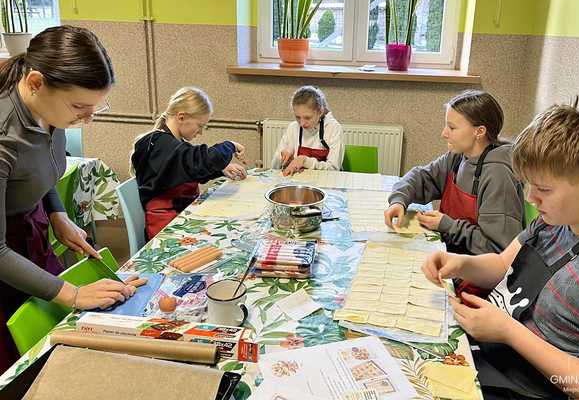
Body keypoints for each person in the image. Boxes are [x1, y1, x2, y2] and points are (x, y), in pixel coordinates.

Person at [422, 103, 579, 399]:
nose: (531, 198)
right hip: (492, 354)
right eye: (527, 186)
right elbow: (502, 264)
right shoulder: (559, 219)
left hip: (528, 388)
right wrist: (460, 263)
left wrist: (510, 332)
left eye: (544, 190)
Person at [0, 25, 135, 373]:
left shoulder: (48, 111)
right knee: (19, 358)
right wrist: (73, 293)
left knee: (56, 332)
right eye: (80, 107)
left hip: (28, 235)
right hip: (5, 255)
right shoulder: (3, 136)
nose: (87, 119)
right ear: (35, 83)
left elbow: (38, 168)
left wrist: (57, 213)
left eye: (95, 108)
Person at [385, 90, 523, 255]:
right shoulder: (458, 157)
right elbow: (421, 177)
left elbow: (499, 249)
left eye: (452, 127)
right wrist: (399, 200)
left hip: (477, 274)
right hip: (453, 256)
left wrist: (448, 226)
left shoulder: (498, 176)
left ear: (479, 132)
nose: (444, 133)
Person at [131, 87, 246, 240]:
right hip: (166, 228)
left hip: (180, 217)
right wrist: (229, 145)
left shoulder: (172, 144)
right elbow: (201, 160)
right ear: (181, 117)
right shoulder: (162, 145)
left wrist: (221, 169)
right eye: (200, 125)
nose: (200, 132)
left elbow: (189, 170)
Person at [271, 85, 344, 176]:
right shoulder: (293, 128)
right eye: (297, 117)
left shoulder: (333, 128)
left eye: (307, 118)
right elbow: (273, 167)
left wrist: (305, 161)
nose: (302, 124)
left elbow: (334, 169)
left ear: (320, 112)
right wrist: (283, 159)